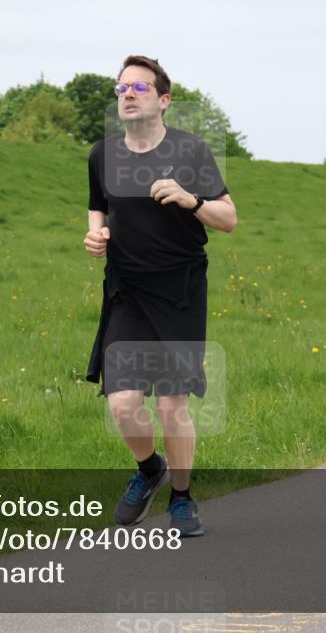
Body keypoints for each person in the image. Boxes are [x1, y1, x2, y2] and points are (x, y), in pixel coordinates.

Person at [84, 56, 237, 537]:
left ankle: (183, 500)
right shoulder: (102, 154)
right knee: (122, 404)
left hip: (180, 291)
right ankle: (151, 468)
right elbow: (97, 207)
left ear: (163, 100)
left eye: (139, 88)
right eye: (121, 87)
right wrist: (95, 236)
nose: (127, 94)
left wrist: (192, 200)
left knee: (173, 407)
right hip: (127, 289)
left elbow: (229, 218)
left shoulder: (191, 152)